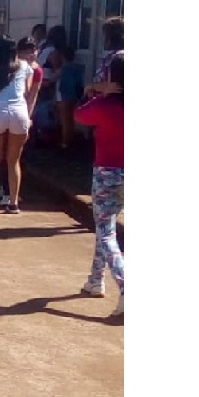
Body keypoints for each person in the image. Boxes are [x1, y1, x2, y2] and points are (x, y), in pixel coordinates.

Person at [75, 54, 124, 318]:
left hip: (107, 173)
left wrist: (93, 91)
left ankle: (125, 283)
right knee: (105, 224)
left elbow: (80, 114)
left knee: (106, 232)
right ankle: (96, 279)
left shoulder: (104, 105)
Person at [0, 35, 35, 214]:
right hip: (19, 111)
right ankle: (13, 203)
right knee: (13, 161)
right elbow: (26, 90)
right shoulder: (25, 66)